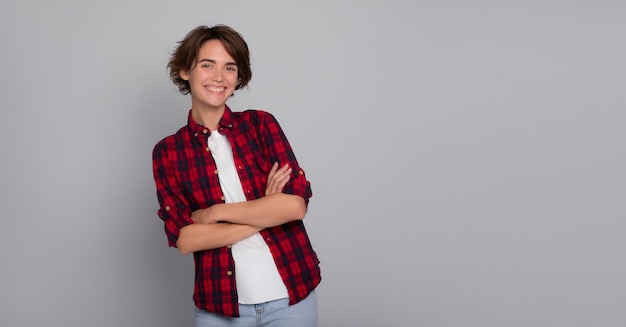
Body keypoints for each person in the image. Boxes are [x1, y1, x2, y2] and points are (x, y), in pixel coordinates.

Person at [151, 24, 321, 326]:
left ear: (238, 76)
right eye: (207, 65)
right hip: (219, 307)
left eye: (229, 67)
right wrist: (267, 211)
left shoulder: (261, 126)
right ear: (185, 71)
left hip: (291, 298)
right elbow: (187, 239)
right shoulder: (168, 152)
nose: (219, 77)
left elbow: (294, 207)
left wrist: (215, 213)